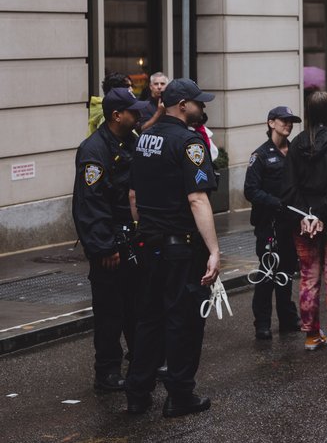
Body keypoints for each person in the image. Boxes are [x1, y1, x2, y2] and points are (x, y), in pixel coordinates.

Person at [125, 78, 220, 418]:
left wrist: (146, 228)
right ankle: (180, 395)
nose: (202, 107)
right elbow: (197, 199)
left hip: (148, 244)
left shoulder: (144, 140)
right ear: (182, 105)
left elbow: (133, 195)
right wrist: (213, 250)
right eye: (198, 103)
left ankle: (137, 393)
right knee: (183, 321)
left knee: (148, 320)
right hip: (179, 248)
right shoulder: (189, 143)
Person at [72, 87, 146, 394]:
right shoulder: (94, 150)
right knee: (109, 312)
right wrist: (104, 246)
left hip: (132, 240)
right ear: (117, 115)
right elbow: (90, 203)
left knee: (135, 307)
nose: (138, 115)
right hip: (110, 244)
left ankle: (141, 361)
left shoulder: (132, 141)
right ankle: (107, 371)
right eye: (133, 111)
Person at [282, 92, 327, 352]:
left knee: (308, 278)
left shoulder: (295, 144)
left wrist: (307, 215)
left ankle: (312, 335)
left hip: (303, 223)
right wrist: (322, 215)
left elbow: (289, 187)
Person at [243, 106, 302, 341]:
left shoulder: (294, 152)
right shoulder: (260, 155)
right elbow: (251, 190)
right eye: (283, 121)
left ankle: (288, 318)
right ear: (271, 123)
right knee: (267, 273)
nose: (288, 125)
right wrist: (276, 204)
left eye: (291, 122)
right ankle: (263, 323)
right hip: (268, 224)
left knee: (286, 272)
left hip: (289, 224)